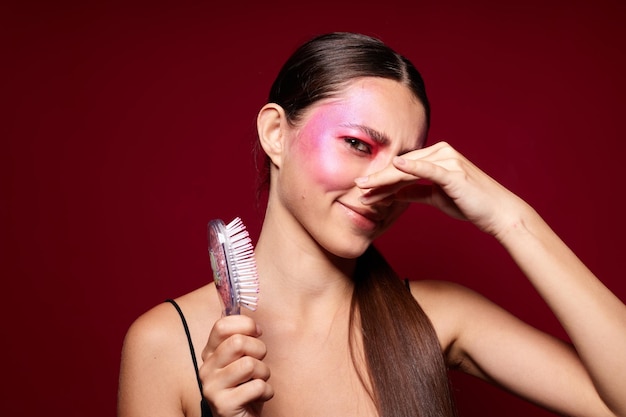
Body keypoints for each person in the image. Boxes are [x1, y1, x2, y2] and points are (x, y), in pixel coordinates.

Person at [117, 32, 626, 417]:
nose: (381, 183)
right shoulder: (167, 344)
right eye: (359, 144)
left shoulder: (434, 318)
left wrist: (510, 219)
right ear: (276, 133)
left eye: (405, 163)